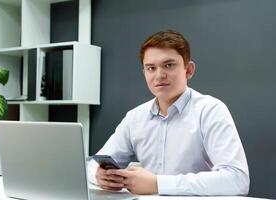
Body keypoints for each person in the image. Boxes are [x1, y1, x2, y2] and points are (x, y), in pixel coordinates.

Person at [87, 30, 249, 196]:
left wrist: (158, 184)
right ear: (144, 73)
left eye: (169, 65)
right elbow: (93, 164)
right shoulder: (135, 118)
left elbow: (237, 179)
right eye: (151, 68)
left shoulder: (210, 110)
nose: (159, 75)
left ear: (189, 70)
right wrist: (98, 175)